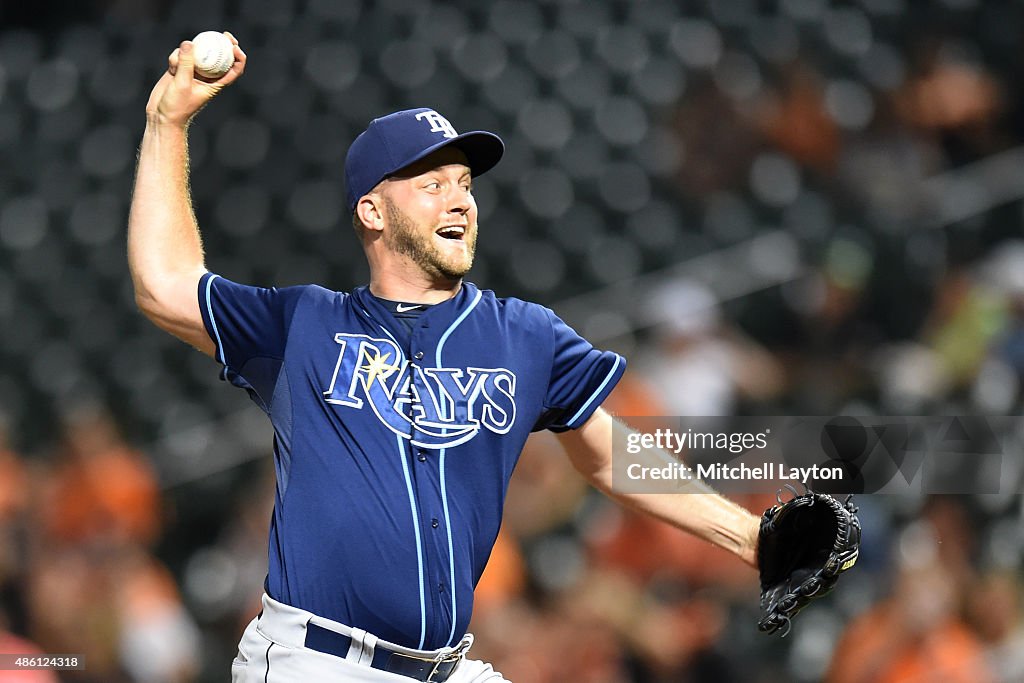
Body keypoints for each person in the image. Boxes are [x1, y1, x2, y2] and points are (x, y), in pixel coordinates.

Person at [128, 33, 762, 682]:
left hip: (447, 668)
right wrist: (167, 120)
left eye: (463, 183)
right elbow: (164, 284)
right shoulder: (305, 324)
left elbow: (611, 455)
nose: (460, 197)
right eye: (431, 183)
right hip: (318, 662)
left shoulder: (524, 334)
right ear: (372, 210)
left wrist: (750, 537)